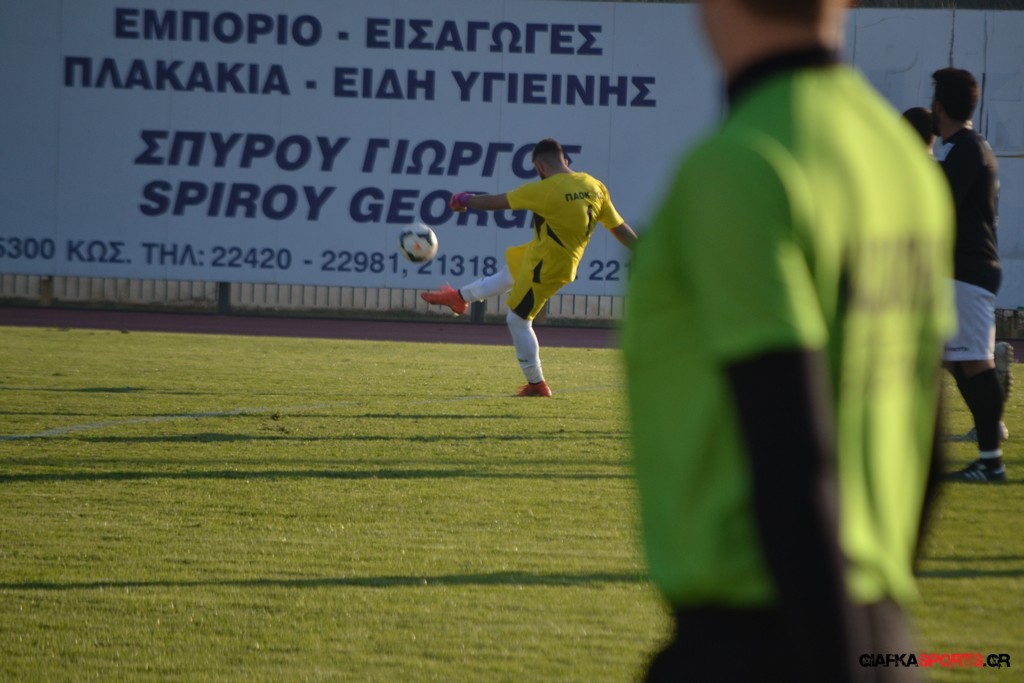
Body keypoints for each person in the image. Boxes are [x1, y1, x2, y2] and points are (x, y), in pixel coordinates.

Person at [623, 1, 955, 681]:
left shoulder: (741, 161)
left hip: (761, 639)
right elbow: (929, 435)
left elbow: (792, 453)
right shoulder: (903, 160)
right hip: (878, 623)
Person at [421, 138, 637, 397]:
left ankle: (536, 384)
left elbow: (496, 202)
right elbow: (618, 227)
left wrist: (464, 199)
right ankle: (459, 298)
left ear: (540, 167)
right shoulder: (594, 185)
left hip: (547, 265)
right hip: (542, 252)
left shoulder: (545, 190)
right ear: (565, 160)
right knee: (508, 274)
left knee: (518, 319)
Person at [930, 68, 1007, 483]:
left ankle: (991, 460)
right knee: (956, 361)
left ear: (939, 106)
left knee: (975, 362)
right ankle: (987, 456)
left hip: (967, 270)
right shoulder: (968, 148)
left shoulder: (966, 150)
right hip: (964, 270)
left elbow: (938, 206)